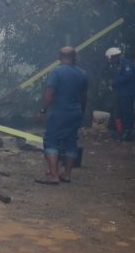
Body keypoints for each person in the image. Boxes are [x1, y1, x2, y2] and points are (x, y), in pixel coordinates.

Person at [35, 47, 88, 185]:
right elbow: (84, 96)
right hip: (75, 112)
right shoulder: (83, 73)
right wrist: (81, 112)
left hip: (59, 112)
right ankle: (67, 174)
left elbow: (49, 94)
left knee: (51, 140)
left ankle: (54, 176)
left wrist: (42, 110)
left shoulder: (56, 72)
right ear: (74, 57)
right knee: (71, 142)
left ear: (60, 57)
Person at [105, 47, 135, 141]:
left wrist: (114, 82)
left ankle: (127, 132)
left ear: (115, 57)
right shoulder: (117, 65)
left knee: (127, 113)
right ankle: (120, 131)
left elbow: (127, 76)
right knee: (119, 113)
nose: (110, 61)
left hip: (127, 94)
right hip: (120, 93)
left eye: (111, 58)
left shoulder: (126, 64)